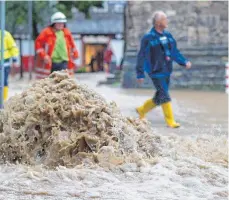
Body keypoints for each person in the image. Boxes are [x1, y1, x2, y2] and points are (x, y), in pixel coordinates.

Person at [136, 11, 192, 128]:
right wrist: (140, 74)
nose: (167, 21)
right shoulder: (148, 38)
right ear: (158, 22)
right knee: (165, 95)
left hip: (166, 70)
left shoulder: (168, 36)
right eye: (165, 19)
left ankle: (141, 110)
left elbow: (174, 52)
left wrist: (184, 62)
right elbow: (141, 55)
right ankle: (170, 122)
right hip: (155, 72)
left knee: (160, 96)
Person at [35, 12, 78, 78]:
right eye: (58, 23)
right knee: (51, 80)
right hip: (51, 62)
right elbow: (38, 44)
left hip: (64, 61)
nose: (61, 24)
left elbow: (72, 45)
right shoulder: (46, 32)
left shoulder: (66, 32)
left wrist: (75, 53)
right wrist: (44, 55)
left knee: (64, 80)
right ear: (53, 23)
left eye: (62, 23)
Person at [0, 30, 19, 101]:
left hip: (4, 63)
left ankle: (3, 100)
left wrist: (15, 60)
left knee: (3, 81)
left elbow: (13, 47)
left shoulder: (5, 34)